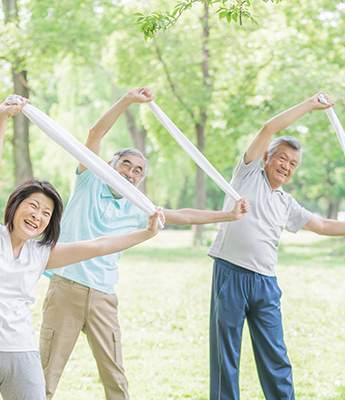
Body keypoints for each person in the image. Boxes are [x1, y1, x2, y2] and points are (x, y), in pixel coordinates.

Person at [0, 95, 164, 400]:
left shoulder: (41, 254)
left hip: (20, 353)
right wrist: (0, 119)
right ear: (14, 205)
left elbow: (99, 245)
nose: (37, 215)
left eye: (45, 213)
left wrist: (145, 234)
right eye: (32, 206)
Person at [40, 87, 250, 400]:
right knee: (44, 374)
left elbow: (180, 215)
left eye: (138, 170)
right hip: (66, 288)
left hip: (103, 297)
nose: (131, 173)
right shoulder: (88, 179)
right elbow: (95, 132)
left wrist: (228, 215)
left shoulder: (138, 208)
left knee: (116, 378)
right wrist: (127, 100)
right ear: (109, 165)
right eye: (125, 164)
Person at [207, 92, 345, 400]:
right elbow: (268, 129)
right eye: (282, 158)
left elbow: (321, 225)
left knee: (276, 357)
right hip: (231, 273)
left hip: (265, 282)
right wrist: (310, 105)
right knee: (226, 356)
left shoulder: (285, 202)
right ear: (267, 158)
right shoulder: (247, 174)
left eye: (293, 163)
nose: (287, 166)